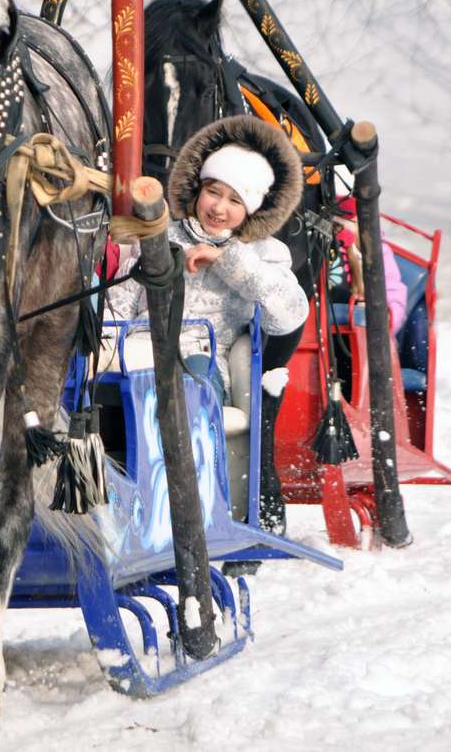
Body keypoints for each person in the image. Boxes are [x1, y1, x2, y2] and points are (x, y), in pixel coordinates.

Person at [107, 116, 308, 531]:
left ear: (250, 209)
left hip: (202, 359)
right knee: (107, 387)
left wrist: (228, 260)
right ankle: (117, 511)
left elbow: (289, 312)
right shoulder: (157, 234)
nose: (218, 208)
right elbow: (118, 302)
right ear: (197, 189)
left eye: (235, 200)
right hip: (137, 352)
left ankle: (190, 516)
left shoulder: (264, 254)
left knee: (188, 386)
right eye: (213, 192)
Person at [329, 195, 407, 335]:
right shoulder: (317, 246)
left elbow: (393, 293)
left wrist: (387, 317)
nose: (339, 230)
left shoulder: (375, 252)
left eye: (348, 214)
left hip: (362, 335)